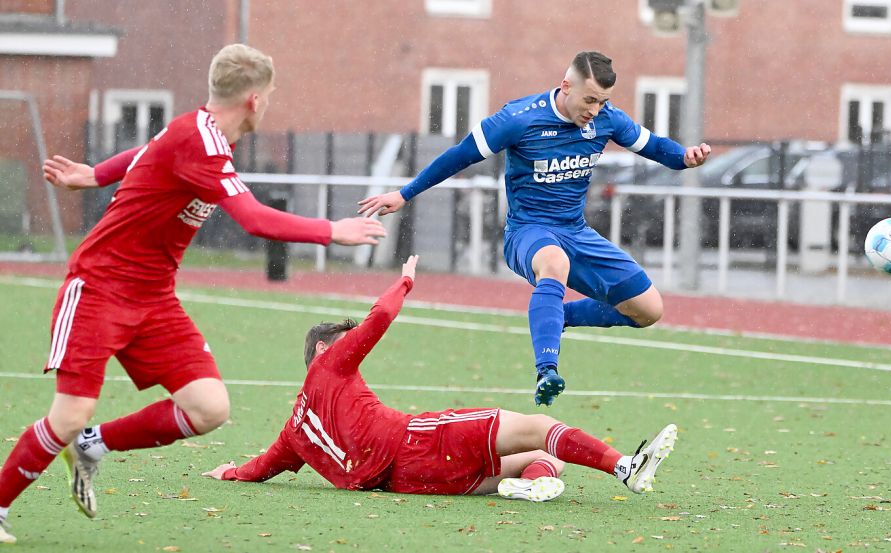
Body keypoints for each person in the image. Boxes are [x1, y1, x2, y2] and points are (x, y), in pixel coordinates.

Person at [0, 44, 386, 545]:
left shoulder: (200, 135)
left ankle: (93, 446)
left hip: (153, 298)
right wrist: (331, 231)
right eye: (268, 94)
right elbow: (253, 219)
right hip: (99, 288)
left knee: (208, 408)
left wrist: (93, 174)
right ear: (252, 99)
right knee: (69, 412)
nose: (269, 103)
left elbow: (146, 152)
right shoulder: (199, 140)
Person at [358, 52, 710, 407]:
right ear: (566, 86)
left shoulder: (607, 119)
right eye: (589, 100)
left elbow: (654, 147)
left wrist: (684, 157)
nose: (594, 110)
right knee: (554, 263)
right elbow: (458, 155)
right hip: (528, 231)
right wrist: (405, 193)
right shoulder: (518, 118)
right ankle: (547, 370)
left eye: (602, 102)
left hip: (576, 232)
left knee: (649, 310)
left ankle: (558, 316)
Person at [202, 255, 678, 504]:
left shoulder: (294, 431)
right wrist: (405, 280)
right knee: (537, 428)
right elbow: (380, 317)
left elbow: (261, 467)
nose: (352, 348)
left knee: (542, 457)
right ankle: (624, 468)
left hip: (407, 482)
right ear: (324, 350)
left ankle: (533, 482)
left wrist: (228, 471)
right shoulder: (330, 363)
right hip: (415, 443)